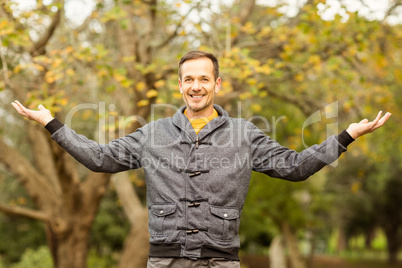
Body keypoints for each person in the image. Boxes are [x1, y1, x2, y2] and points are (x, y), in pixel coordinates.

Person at [12, 51, 391, 268]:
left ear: (217, 84)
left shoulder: (245, 134)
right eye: (189, 79)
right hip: (165, 262)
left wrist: (345, 136)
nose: (196, 86)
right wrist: (52, 124)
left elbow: (294, 168)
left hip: (220, 262)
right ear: (180, 85)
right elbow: (99, 159)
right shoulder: (153, 133)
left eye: (204, 79)